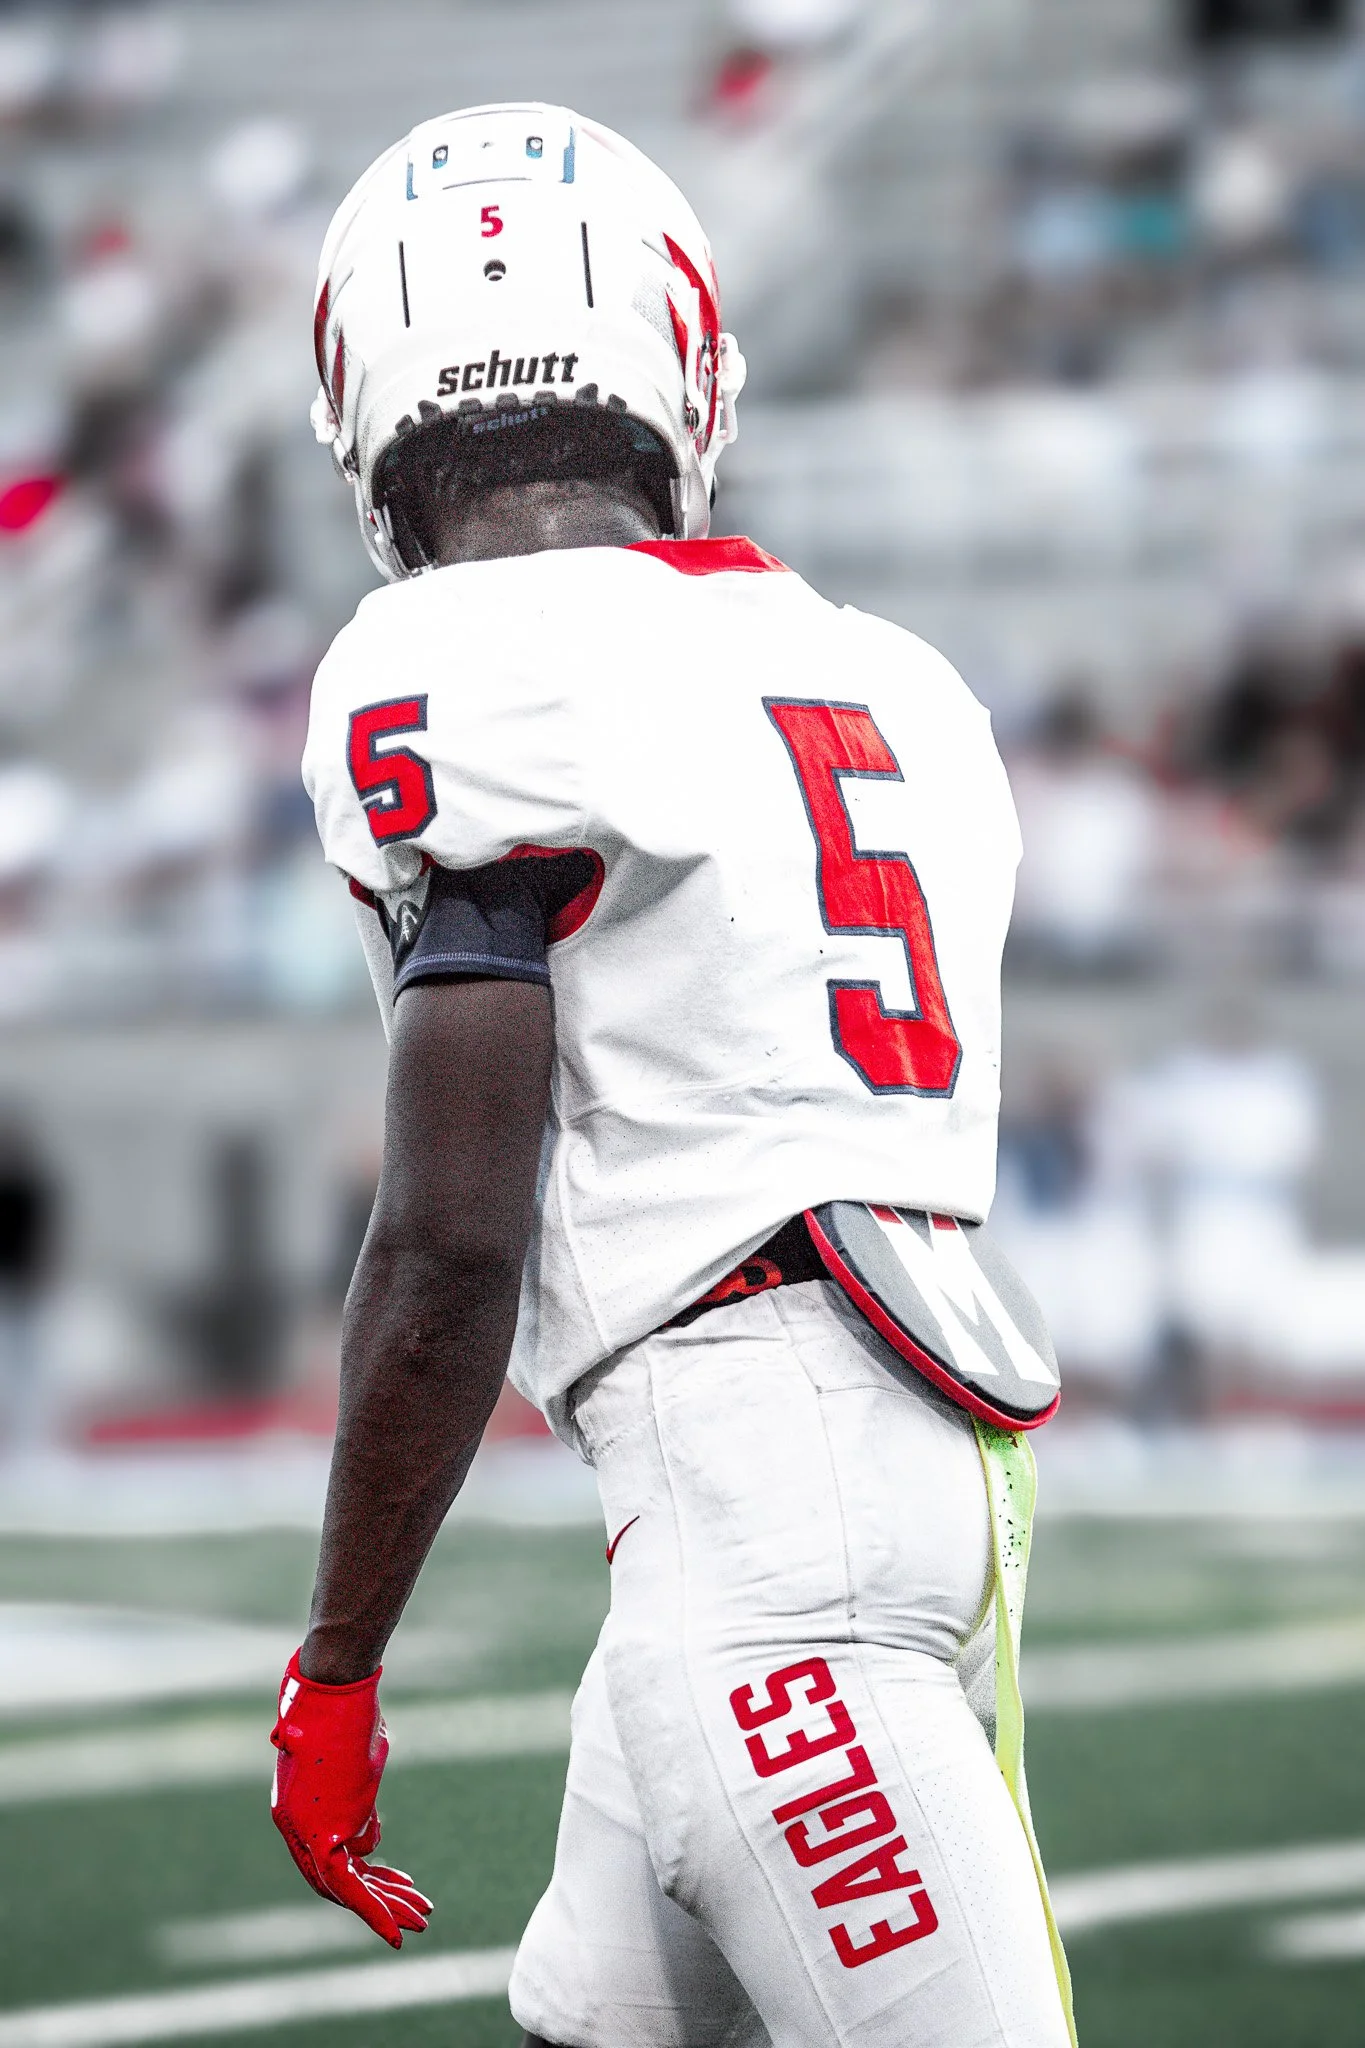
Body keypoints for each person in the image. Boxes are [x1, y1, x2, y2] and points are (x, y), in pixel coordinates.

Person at [270, 102, 1075, 2048]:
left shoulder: (443, 666)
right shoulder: (893, 678)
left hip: (757, 1560)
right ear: (679, 355)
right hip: (901, 1477)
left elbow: (451, 1238)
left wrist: (339, 1660)